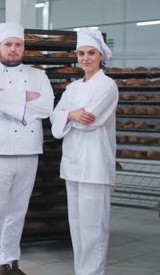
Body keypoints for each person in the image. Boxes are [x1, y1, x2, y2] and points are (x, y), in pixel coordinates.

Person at [0, 22, 55, 275]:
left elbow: (47, 108)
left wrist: (6, 97)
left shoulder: (38, 75)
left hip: (29, 151)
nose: (13, 49)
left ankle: (9, 262)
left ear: (23, 48)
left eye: (18, 45)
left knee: (17, 212)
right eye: (8, 45)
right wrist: (25, 97)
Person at [49, 28, 118, 275]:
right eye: (81, 53)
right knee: (77, 227)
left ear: (101, 56)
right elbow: (55, 119)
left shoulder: (108, 85)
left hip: (96, 164)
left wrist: (69, 116)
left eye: (91, 53)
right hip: (73, 164)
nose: (85, 58)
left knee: (94, 229)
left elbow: (88, 120)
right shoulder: (72, 87)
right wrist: (68, 114)